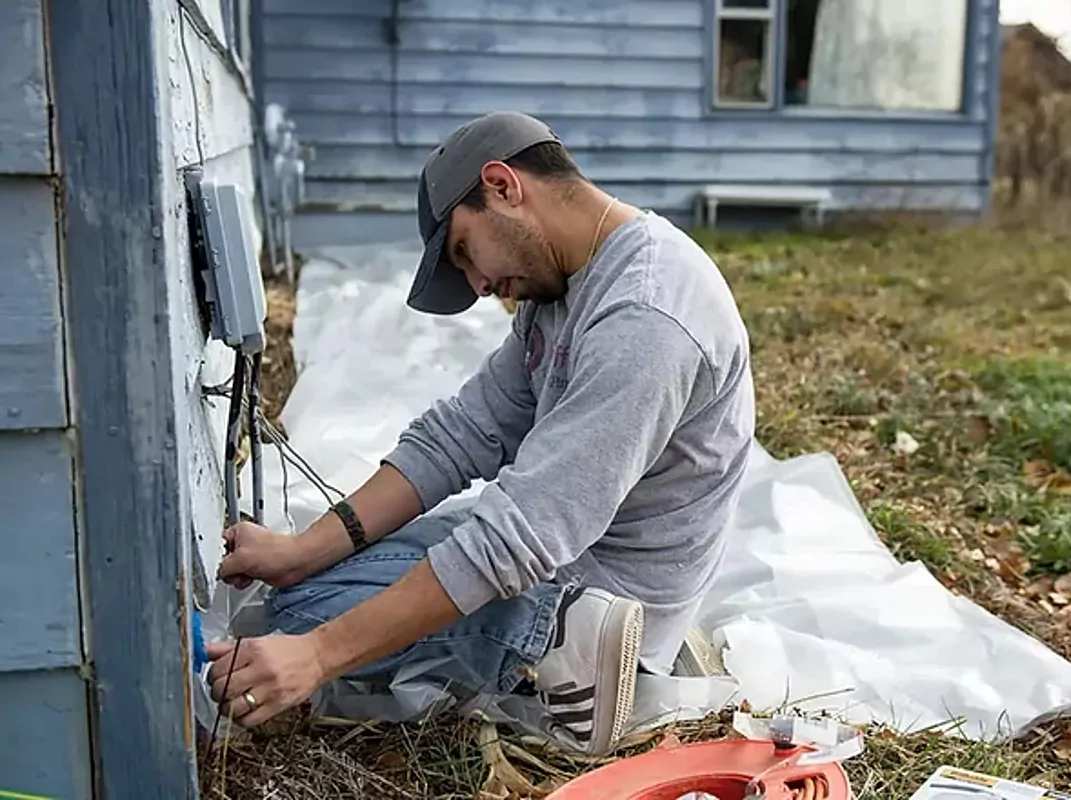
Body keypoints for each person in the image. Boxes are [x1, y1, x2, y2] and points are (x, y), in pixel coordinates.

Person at [204, 110, 756, 756]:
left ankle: (567, 649)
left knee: (301, 624)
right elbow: (460, 435)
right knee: (300, 591)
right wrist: (301, 552)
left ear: (502, 185)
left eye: (465, 252)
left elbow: (517, 535)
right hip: (551, 549)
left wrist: (316, 657)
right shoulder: (566, 286)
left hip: (592, 590)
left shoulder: (647, 313)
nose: (481, 286)